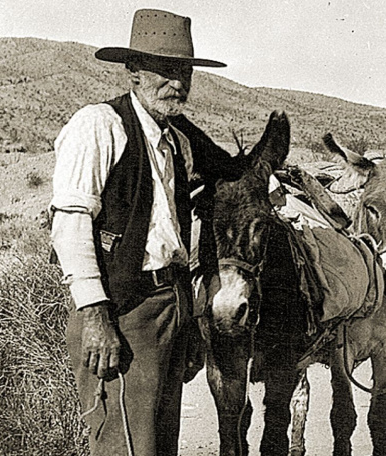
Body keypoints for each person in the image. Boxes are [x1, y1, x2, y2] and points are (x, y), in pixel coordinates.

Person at [49, 9, 246, 455]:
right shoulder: (99, 125)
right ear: (134, 72)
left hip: (169, 306)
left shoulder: (175, 140)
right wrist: (95, 315)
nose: (177, 82)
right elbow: (71, 223)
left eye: (184, 71)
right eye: (164, 69)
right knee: (125, 446)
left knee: (159, 445)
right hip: (121, 311)